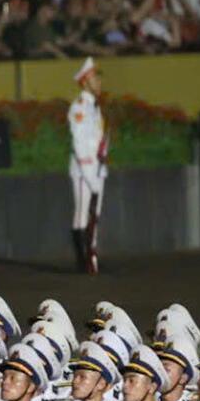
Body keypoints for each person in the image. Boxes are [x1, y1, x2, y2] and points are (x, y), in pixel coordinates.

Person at [68, 57, 108, 273]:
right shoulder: (80, 107)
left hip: (97, 168)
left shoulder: (94, 106)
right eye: (94, 78)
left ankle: (90, 256)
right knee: (82, 213)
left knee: (95, 214)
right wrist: (88, 172)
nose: (98, 82)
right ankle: (82, 260)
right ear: (84, 81)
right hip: (85, 170)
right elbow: (79, 142)